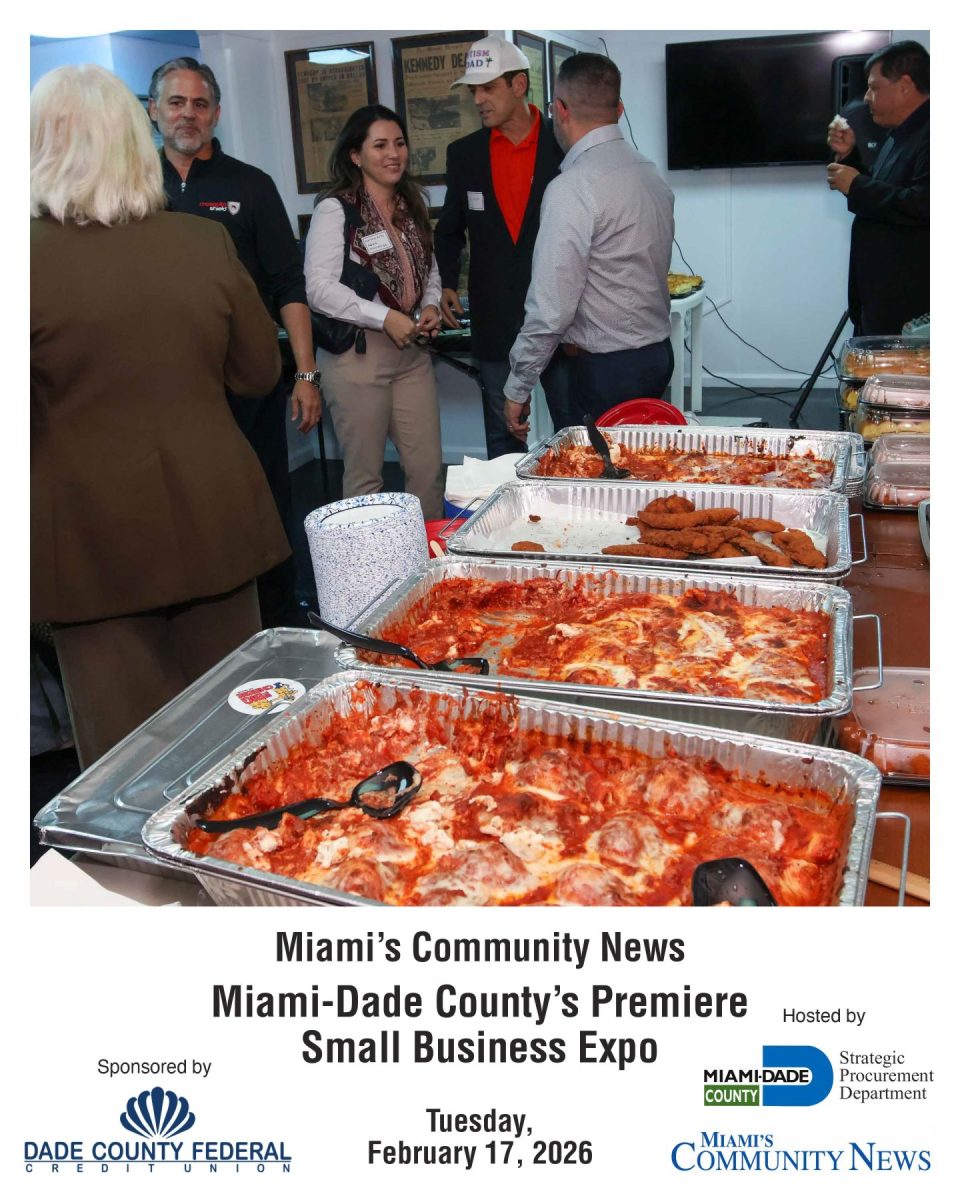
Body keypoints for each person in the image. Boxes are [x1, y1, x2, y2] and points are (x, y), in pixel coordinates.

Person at [31, 65, 289, 768]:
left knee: (128, 768)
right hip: (215, 522)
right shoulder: (203, 242)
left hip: (91, 544)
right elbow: (257, 373)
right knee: (240, 748)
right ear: (135, 139)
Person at [149, 56, 320, 627]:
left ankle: (279, 617)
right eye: (176, 102)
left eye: (200, 104)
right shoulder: (131, 188)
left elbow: (288, 284)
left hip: (247, 382)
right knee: (181, 504)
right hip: (166, 388)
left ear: (217, 114)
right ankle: (201, 622)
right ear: (153, 111)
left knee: (263, 497)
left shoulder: (251, 185)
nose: (188, 114)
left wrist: (306, 375)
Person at [503, 53, 675, 439]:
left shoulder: (573, 188)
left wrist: (518, 385)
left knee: (594, 474)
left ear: (560, 110)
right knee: (643, 463)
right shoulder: (650, 174)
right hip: (656, 355)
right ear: (619, 108)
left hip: (604, 371)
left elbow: (551, 309)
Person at [435, 35, 575, 456]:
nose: (478, 99)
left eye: (488, 88)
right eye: (473, 90)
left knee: (574, 431)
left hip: (561, 319)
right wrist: (445, 282)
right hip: (494, 319)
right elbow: (449, 228)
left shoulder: (565, 145)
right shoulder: (465, 154)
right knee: (502, 436)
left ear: (519, 84)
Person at [303, 105, 445, 519]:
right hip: (358, 357)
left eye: (399, 143)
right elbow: (319, 290)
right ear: (355, 155)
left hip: (411, 355)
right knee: (366, 479)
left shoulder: (409, 205)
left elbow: (430, 268)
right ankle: (368, 562)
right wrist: (384, 317)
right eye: (380, 145)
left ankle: (428, 557)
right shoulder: (336, 209)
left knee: (428, 471)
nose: (393, 154)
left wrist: (430, 303)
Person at [826, 41, 929, 336]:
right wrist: (850, 157)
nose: (867, 98)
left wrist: (856, 184)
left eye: (874, 88)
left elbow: (923, 204)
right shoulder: (900, 134)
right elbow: (883, 189)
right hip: (880, 295)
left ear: (905, 86)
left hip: (909, 304)